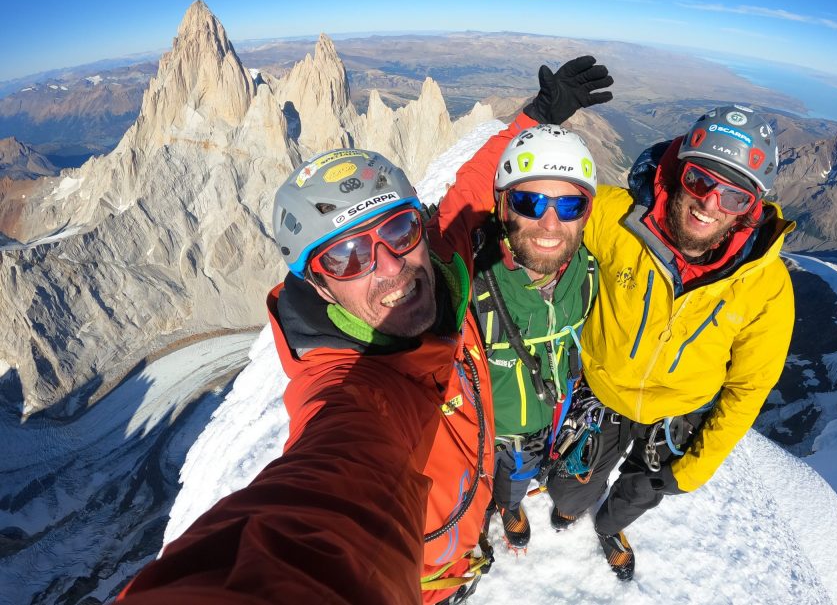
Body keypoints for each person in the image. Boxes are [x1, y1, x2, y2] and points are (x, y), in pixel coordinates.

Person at [116, 56, 612, 605]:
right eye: (347, 257)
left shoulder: (440, 268)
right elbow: (320, 508)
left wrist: (536, 117)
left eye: (398, 229)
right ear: (318, 286)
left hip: (463, 541)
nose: (390, 267)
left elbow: (471, 193)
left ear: (421, 228)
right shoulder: (351, 391)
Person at [545, 104, 796, 581]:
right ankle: (571, 508)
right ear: (679, 171)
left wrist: (699, 466)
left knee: (637, 496)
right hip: (605, 392)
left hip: (679, 417)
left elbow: (748, 388)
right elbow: (537, 216)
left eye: (734, 198)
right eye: (701, 181)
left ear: (752, 209)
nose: (709, 204)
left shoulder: (767, 287)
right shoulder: (616, 218)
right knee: (567, 493)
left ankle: (609, 528)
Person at [472, 124, 600, 549]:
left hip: (545, 424)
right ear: (503, 206)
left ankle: (509, 507)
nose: (549, 223)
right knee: (477, 488)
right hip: (480, 431)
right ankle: (486, 519)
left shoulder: (589, 278)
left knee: (515, 480)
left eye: (569, 205)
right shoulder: (470, 284)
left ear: (586, 213)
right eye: (530, 202)